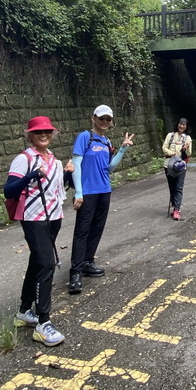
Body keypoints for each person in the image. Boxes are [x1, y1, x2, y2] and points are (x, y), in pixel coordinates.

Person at [4, 116, 71, 347]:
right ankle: (43, 323)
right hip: (33, 218)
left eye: (47, 131)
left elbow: (57, 189)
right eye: (38, 132)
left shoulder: (53, 159)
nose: (43, 135)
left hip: (53, 216)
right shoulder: (24, 159)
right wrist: (29, 177)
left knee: (37, 261)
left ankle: (24, 310)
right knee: (47, 264)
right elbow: (8, 190)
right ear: (30, 135)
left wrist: (68, 176)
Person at [68, 104, 134, 295]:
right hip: (87, 192)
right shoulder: (85, 137)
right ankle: (75, 273)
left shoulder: (106, 142)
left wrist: (122, 149)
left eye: (108, 119)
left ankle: (88, 262)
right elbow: (76, 165)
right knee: (82, 231)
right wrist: (79, 192)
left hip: (104, 190)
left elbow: (109, 168)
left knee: (96, 229)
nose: (105, 122)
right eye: (101, 118)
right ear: (93, 118)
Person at [162, 118, 192, 220]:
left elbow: (189, 154)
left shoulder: (187, 138)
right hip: (168, 165)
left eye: (184, 125)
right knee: (172, 187)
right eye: (180, 124)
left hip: (180, 166)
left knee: (178, 187)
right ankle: (175, 205)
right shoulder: (170, 136)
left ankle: (176, 210)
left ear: (186, 127)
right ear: (177, 124)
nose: (182, 126)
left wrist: (186, 148)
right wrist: (172, 153)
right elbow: (164, 148)